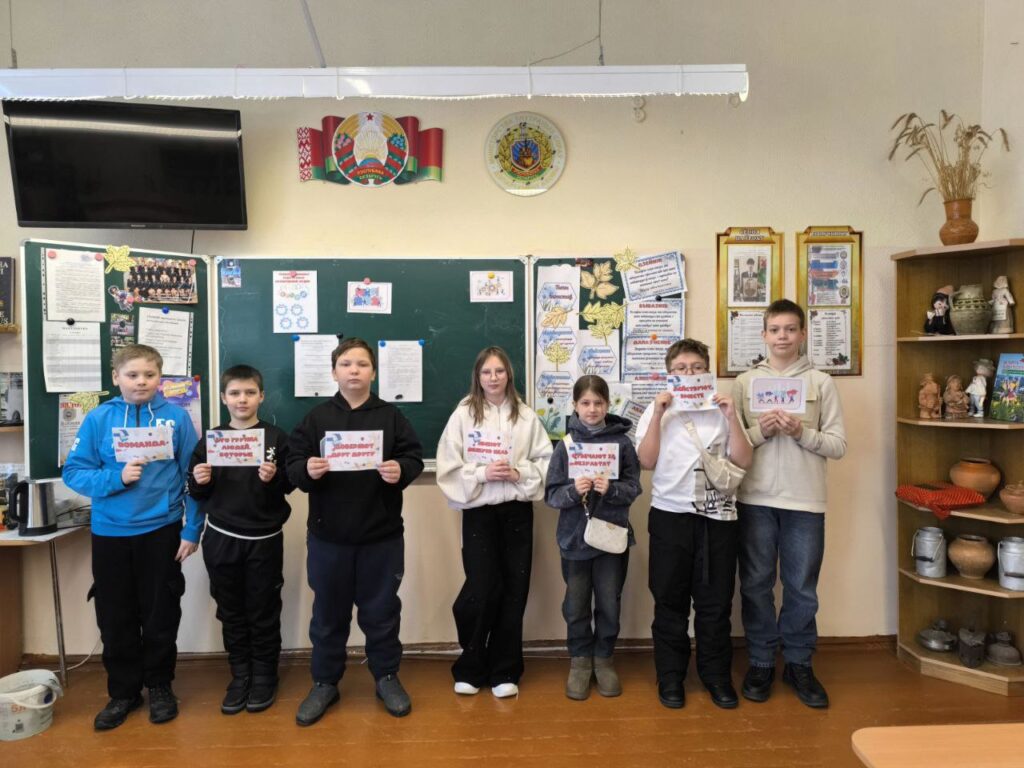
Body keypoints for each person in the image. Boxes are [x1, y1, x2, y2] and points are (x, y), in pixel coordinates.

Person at [62, 344, 201, 731]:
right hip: (110, 533)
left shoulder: (176, 418)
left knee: (161, 613)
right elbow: (74, 472)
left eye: (149, 375)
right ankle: (123, 692)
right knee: (115, 615)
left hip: (162, 530)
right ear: (116, 378)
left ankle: (159, 685)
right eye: (133, 375)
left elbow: (195, 476)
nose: (141, 382)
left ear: (160, 378)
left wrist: (192, 528)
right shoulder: (98, 418)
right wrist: (116, 478)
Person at [286, 338, 423, 724]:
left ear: (373, 372)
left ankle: (386, 676)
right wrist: (306, 471)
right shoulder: (316, 418)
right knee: (328, 616)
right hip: (328, 538)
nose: (354, 370)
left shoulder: (391, 416)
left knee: (382, 613)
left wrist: (401, 470)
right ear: (334, 372)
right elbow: (292, 465)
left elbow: (413, 457)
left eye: (362, 364)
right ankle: (324, 682)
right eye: (346, 364)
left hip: (381, 537)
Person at [732, 299, 846, 709]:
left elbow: (838, 445)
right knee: (756, 584)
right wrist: (759, 432)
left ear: (802, 334)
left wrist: (801, 432)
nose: (783, 336)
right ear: (764, 335)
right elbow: (732, 447)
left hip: (805, 502)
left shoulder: (821, 382)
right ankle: (761, 660)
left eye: (790, 329)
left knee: (801, 588)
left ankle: (798, 663)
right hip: (755, 499)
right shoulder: (745, 383)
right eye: (775, 329)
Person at [636, 339, 753, 710]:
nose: (689, 374)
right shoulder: (658, 410)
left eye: (696, 367)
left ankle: (716, 675)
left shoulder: (722, 407)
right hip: (669, 515)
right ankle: (670, 675)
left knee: (715, 602)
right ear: (669, 374)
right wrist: (658, 414)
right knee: (669, 600)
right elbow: (646, 461)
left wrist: (731, 417)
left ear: (707, 371)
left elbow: (743, 460)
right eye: (681, 369)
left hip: (717, 517)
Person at [435, 346, 552, 698]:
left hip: (516, 513)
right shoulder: (463, 415)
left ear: (509, 375)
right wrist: (482, 473)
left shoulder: (526, 416)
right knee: (482, 588)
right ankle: (471, 667)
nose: (493, 377)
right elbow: (447, 467)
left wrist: (519, 473)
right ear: (477, 376)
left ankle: (505, 670)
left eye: (499, 371)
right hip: (480, 513)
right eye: (486, 372)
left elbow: (546, 462)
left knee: (515, 591)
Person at [188, 365, 293, 715]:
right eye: (234, 393)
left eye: (249, 392)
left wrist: (274, 478)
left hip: (264, 539)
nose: (242, 399)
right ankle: (240, 674)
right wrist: (199, 479)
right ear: (223, 398)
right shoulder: (211, 440)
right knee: (230, 610)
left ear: (261, 396)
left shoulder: (276, 438)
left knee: (264, 610)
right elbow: (195, 490)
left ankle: (264, 675)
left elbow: (291, 484)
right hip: (222, 538)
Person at [545, 375, 641, 700]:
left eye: (598, 403)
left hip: (611, 537)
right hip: (574, 540)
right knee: (576, 605)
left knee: (609, 602)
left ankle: (604, 658)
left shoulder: (622, 444)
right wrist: (574, 491)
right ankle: (580, 660)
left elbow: (634, 487)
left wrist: (611, 490)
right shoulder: (566, 445)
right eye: (585, 403)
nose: (592, 409)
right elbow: (552, 494)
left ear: (607, 405)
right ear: (574, 405)